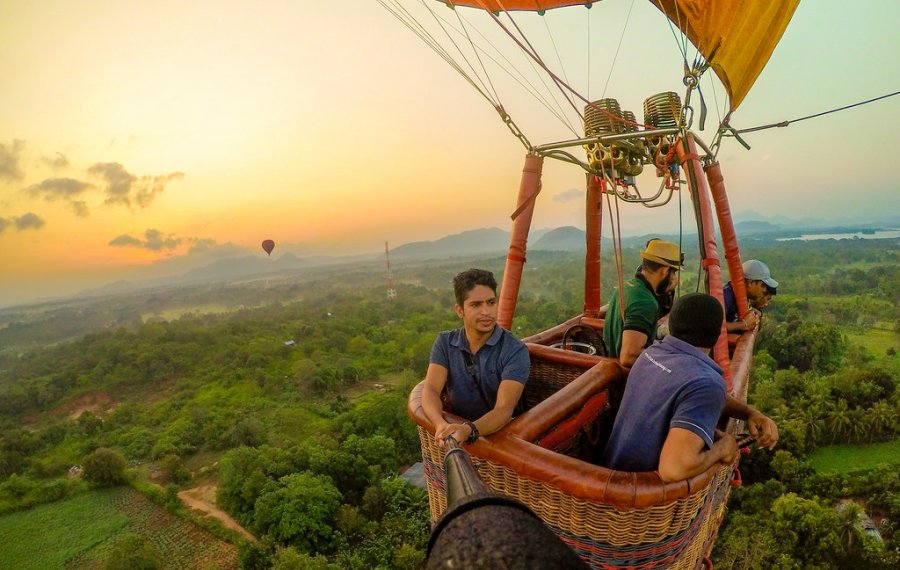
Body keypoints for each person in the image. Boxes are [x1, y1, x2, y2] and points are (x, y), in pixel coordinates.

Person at [601, 293, 779, 482]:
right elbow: (674, 469)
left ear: (670, 327)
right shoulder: (705, 383)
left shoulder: (650, 355)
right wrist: (723, 448)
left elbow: (696, 392)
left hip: (608, 476)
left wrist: (749, 412)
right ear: (718, 335)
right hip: (640, 496)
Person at [421, 268, 530, 447]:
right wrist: (440, 424)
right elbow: (431, 390)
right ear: (460, 310)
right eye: (476, 305)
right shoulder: (445, 343)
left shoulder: (514, 350)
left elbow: (504, 409)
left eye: (491, 302)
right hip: (457, 434)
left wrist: (468, 430)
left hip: (502, 440)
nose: (486, 311)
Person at [603, 239, 683, 367]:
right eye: (673, 272)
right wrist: (668, 361)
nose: (674, 278)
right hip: (626, 375)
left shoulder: (628, 286)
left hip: (609, 358)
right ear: (665, 270)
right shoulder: (645, 302)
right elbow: (629, 356)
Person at [724, 259, 778, 333]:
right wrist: (743, 325)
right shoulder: (726, 296)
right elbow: (713, 326)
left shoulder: (744, 297)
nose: (764, 290)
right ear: (751, 283)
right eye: (762, 286)